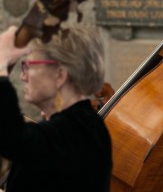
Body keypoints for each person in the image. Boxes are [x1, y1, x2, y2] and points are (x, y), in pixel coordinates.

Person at [0, 25, 112, 192]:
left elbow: (12, 138)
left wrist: (1, 66)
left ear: (59, 75)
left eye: (29, 66)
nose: (23, 76)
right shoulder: (77, 126)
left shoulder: (78, 130)